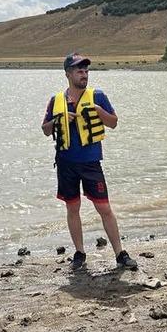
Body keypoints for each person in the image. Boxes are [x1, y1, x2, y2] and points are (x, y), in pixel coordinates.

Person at [41, 53, 138, 271]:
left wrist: (98, 111)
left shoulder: (98, 96)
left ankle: (120, 253)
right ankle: (79, 252)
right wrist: (60, 119)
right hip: (66, 162)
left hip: (90, 162)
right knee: (72, 206)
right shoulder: (56, 100)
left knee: (104, 207)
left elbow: (113, 123)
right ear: (68, 74)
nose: (84, 75)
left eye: (86, 71)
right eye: (79, 71)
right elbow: (45, 130)